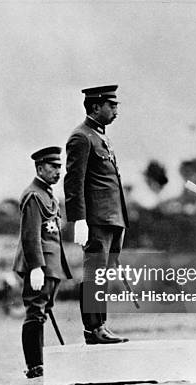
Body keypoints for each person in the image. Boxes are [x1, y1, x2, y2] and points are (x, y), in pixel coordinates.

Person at [64, 85, 129, 344]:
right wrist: (78, 219)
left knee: (102, 274)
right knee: (94, 273)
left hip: (112, 219)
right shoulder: (81, 137)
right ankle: (93, 329)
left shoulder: (100, 137)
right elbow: (74, 182)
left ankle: (100, 325)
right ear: (95, 107)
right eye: (112, 105)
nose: (116, 111)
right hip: (96, 221)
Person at [13, 146, 72, 378]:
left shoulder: (47, 194)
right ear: (40, 167)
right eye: (53, 167)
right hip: (41, 264)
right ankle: (35, 365)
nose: (58, 171)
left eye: (60, 167)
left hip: (52, 263)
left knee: (42, 311)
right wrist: (36, 266)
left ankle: (39, 362)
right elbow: (30, 235)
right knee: (35, 311)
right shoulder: (34, 195)